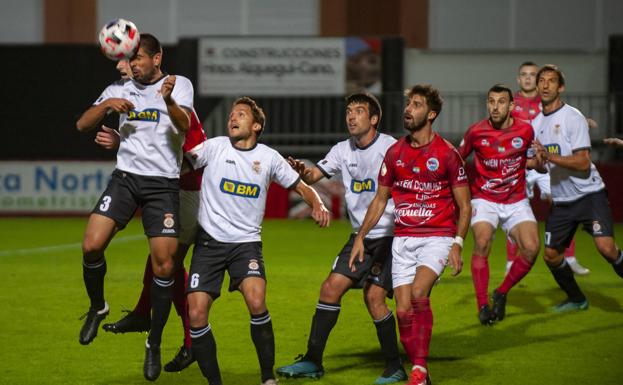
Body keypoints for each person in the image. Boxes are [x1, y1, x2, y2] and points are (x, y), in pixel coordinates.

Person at [185, 97, 331, 385]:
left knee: (256, 300)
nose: (232, 118)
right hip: (209, 243)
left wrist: (318, 204)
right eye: (231, 114)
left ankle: (267, 378)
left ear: (256, 125)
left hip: (246, 244)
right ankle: (214, 382)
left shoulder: (269, 157)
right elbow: (184, 157)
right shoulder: (214, 147)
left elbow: (302, 187)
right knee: (197, 313)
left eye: (240, 114)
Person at [76, 33, 193, 381]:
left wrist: (169, 101)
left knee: (164, 267)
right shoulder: (119, 89)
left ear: (157, 58)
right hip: (125, 180)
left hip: (162, 185)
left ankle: (153, 343)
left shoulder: (178, 85)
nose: (133, 63)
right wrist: (106, 107)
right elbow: (82, 123)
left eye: (139, 57)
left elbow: (184, 127)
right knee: (91, 245)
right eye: (130, 58)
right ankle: (98, 307)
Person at [275, 93, 406, 384]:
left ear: (374, 119)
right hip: (360, 235)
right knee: (330, 288)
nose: (351, 116)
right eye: (348, 111)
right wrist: (301, 171)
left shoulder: (391, 148)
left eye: (359, 111)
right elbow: (312, 176)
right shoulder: (341, 150)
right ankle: (312, 360)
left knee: (374, 298)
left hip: (391, 236)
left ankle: (394, 366)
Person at [350, 85, 471, 385]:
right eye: (407, 104)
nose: (408, 109)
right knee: (402, 312)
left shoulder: (447, 154)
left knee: (419, 294)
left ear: (431, 114)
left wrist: (457, 243)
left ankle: (418, 368)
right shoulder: (395, 153)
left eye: (416, 105)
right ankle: (423, 375)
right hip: (403, 239)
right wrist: (360, 236)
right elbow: (380, 200)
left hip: (438, 237)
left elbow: (465, 205)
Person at [532, 64, 623, 312]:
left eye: (551, 80)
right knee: (551, 255)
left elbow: (583, 163)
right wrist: (538, 163)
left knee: (607, 249)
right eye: (542, 80)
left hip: (589, 195)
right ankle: (576, 299)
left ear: (560, 87)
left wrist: (549, 158)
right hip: (562, 201)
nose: (546, 85)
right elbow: (541, 168)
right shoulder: (535, 123)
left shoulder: (573, 117)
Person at [459, 84, 541, 325]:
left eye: (501, 102)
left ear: (511, 106)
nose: (495, 107)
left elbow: (534, 162)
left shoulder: (525, 131)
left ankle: (502, 291)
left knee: (532, 248)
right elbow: (456, 159)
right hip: (484, 199)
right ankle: (483, 305)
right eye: (491, 101)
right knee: (482, 241)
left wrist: (542, 161)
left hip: (516, 200)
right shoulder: (476, 132)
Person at [507, 61, 589, 275]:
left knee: (562, 204)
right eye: (523, 74)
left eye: (532, 75)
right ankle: (510, 262)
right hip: (521, 164)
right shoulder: (509, 102)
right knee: (513, 210)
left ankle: (569, 257)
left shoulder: (546, 101)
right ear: (518, 79)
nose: (528, 78)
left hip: (544, 161)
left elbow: (562, 119)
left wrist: (581, 122)